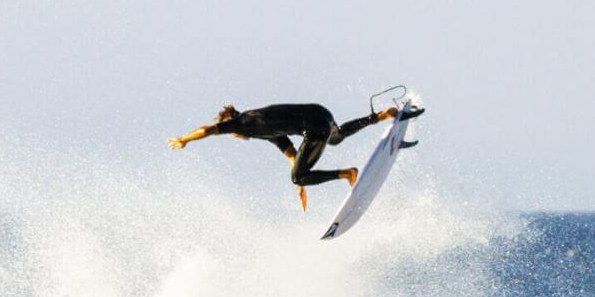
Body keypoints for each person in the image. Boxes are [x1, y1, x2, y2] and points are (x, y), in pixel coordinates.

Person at [168, 101, 424, 210]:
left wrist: (184, 140)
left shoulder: (242, 123)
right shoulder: (266, 130)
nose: (236, 137)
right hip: (320, 113)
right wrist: (303, 183)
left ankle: (347, 173)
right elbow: (292, 153)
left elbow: (207, 130)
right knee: (335, 138)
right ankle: (380, 115)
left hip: (312, 127)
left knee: (299, 175)